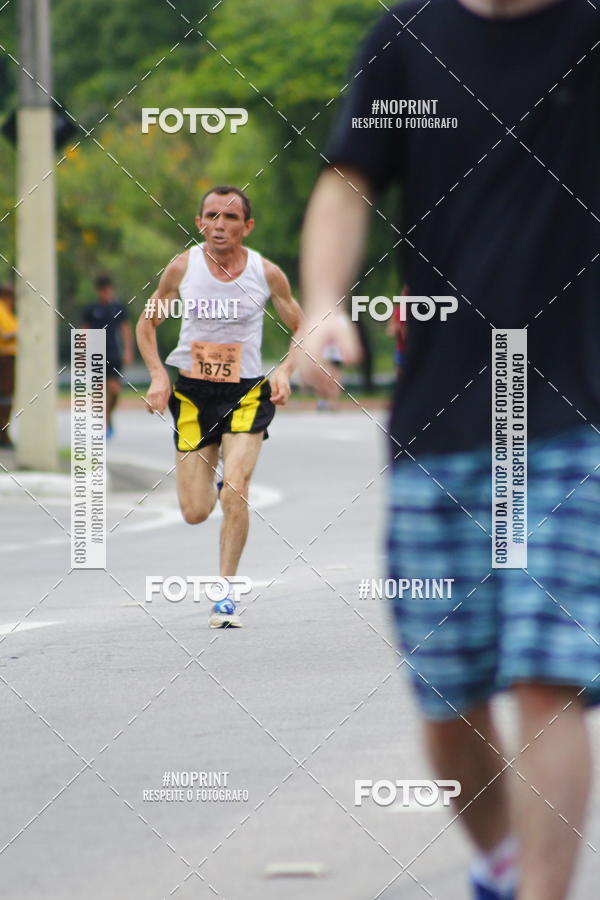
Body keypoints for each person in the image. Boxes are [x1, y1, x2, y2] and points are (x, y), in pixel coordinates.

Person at [299, 2, 600, 899]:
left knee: (548, 675)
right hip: (443, 422)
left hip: (574, 413)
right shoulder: (405, 41)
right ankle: (503, 862)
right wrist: (322, 301)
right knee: (449, 693)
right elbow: (347, 181)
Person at [136, 185, 302, 628]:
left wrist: (284, 371)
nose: (220, 225)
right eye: (212, 216)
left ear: (247, 227)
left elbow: (303, 325)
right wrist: (156, 375)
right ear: (199, 223)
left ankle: (225, 596)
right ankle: (212, 484)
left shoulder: (266, 273)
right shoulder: (182, 268)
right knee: (194, 511)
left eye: (230, 218)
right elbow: (147, 323)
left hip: (247, 392)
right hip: (193, 394)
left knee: (236, 491)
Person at [82, 274, 134, 437]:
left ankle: (108, 415)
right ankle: (102, 422)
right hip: (96, 352)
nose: (106, 293)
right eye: (103, 290)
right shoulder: (91, 309)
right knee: (99, 389)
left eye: (108, 289)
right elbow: (84, 330)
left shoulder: (118, 308)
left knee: (114, 389)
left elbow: (125, 330)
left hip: (114, 352)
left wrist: (128, 350)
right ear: (98, 291)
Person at [0, 284, 17, 448]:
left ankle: (4, 433)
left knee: (7, 398)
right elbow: (4, 335)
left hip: (9, 359)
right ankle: (2, 434)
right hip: (3, 359)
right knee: (4, 398)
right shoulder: (1, 311)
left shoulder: (8, 314)